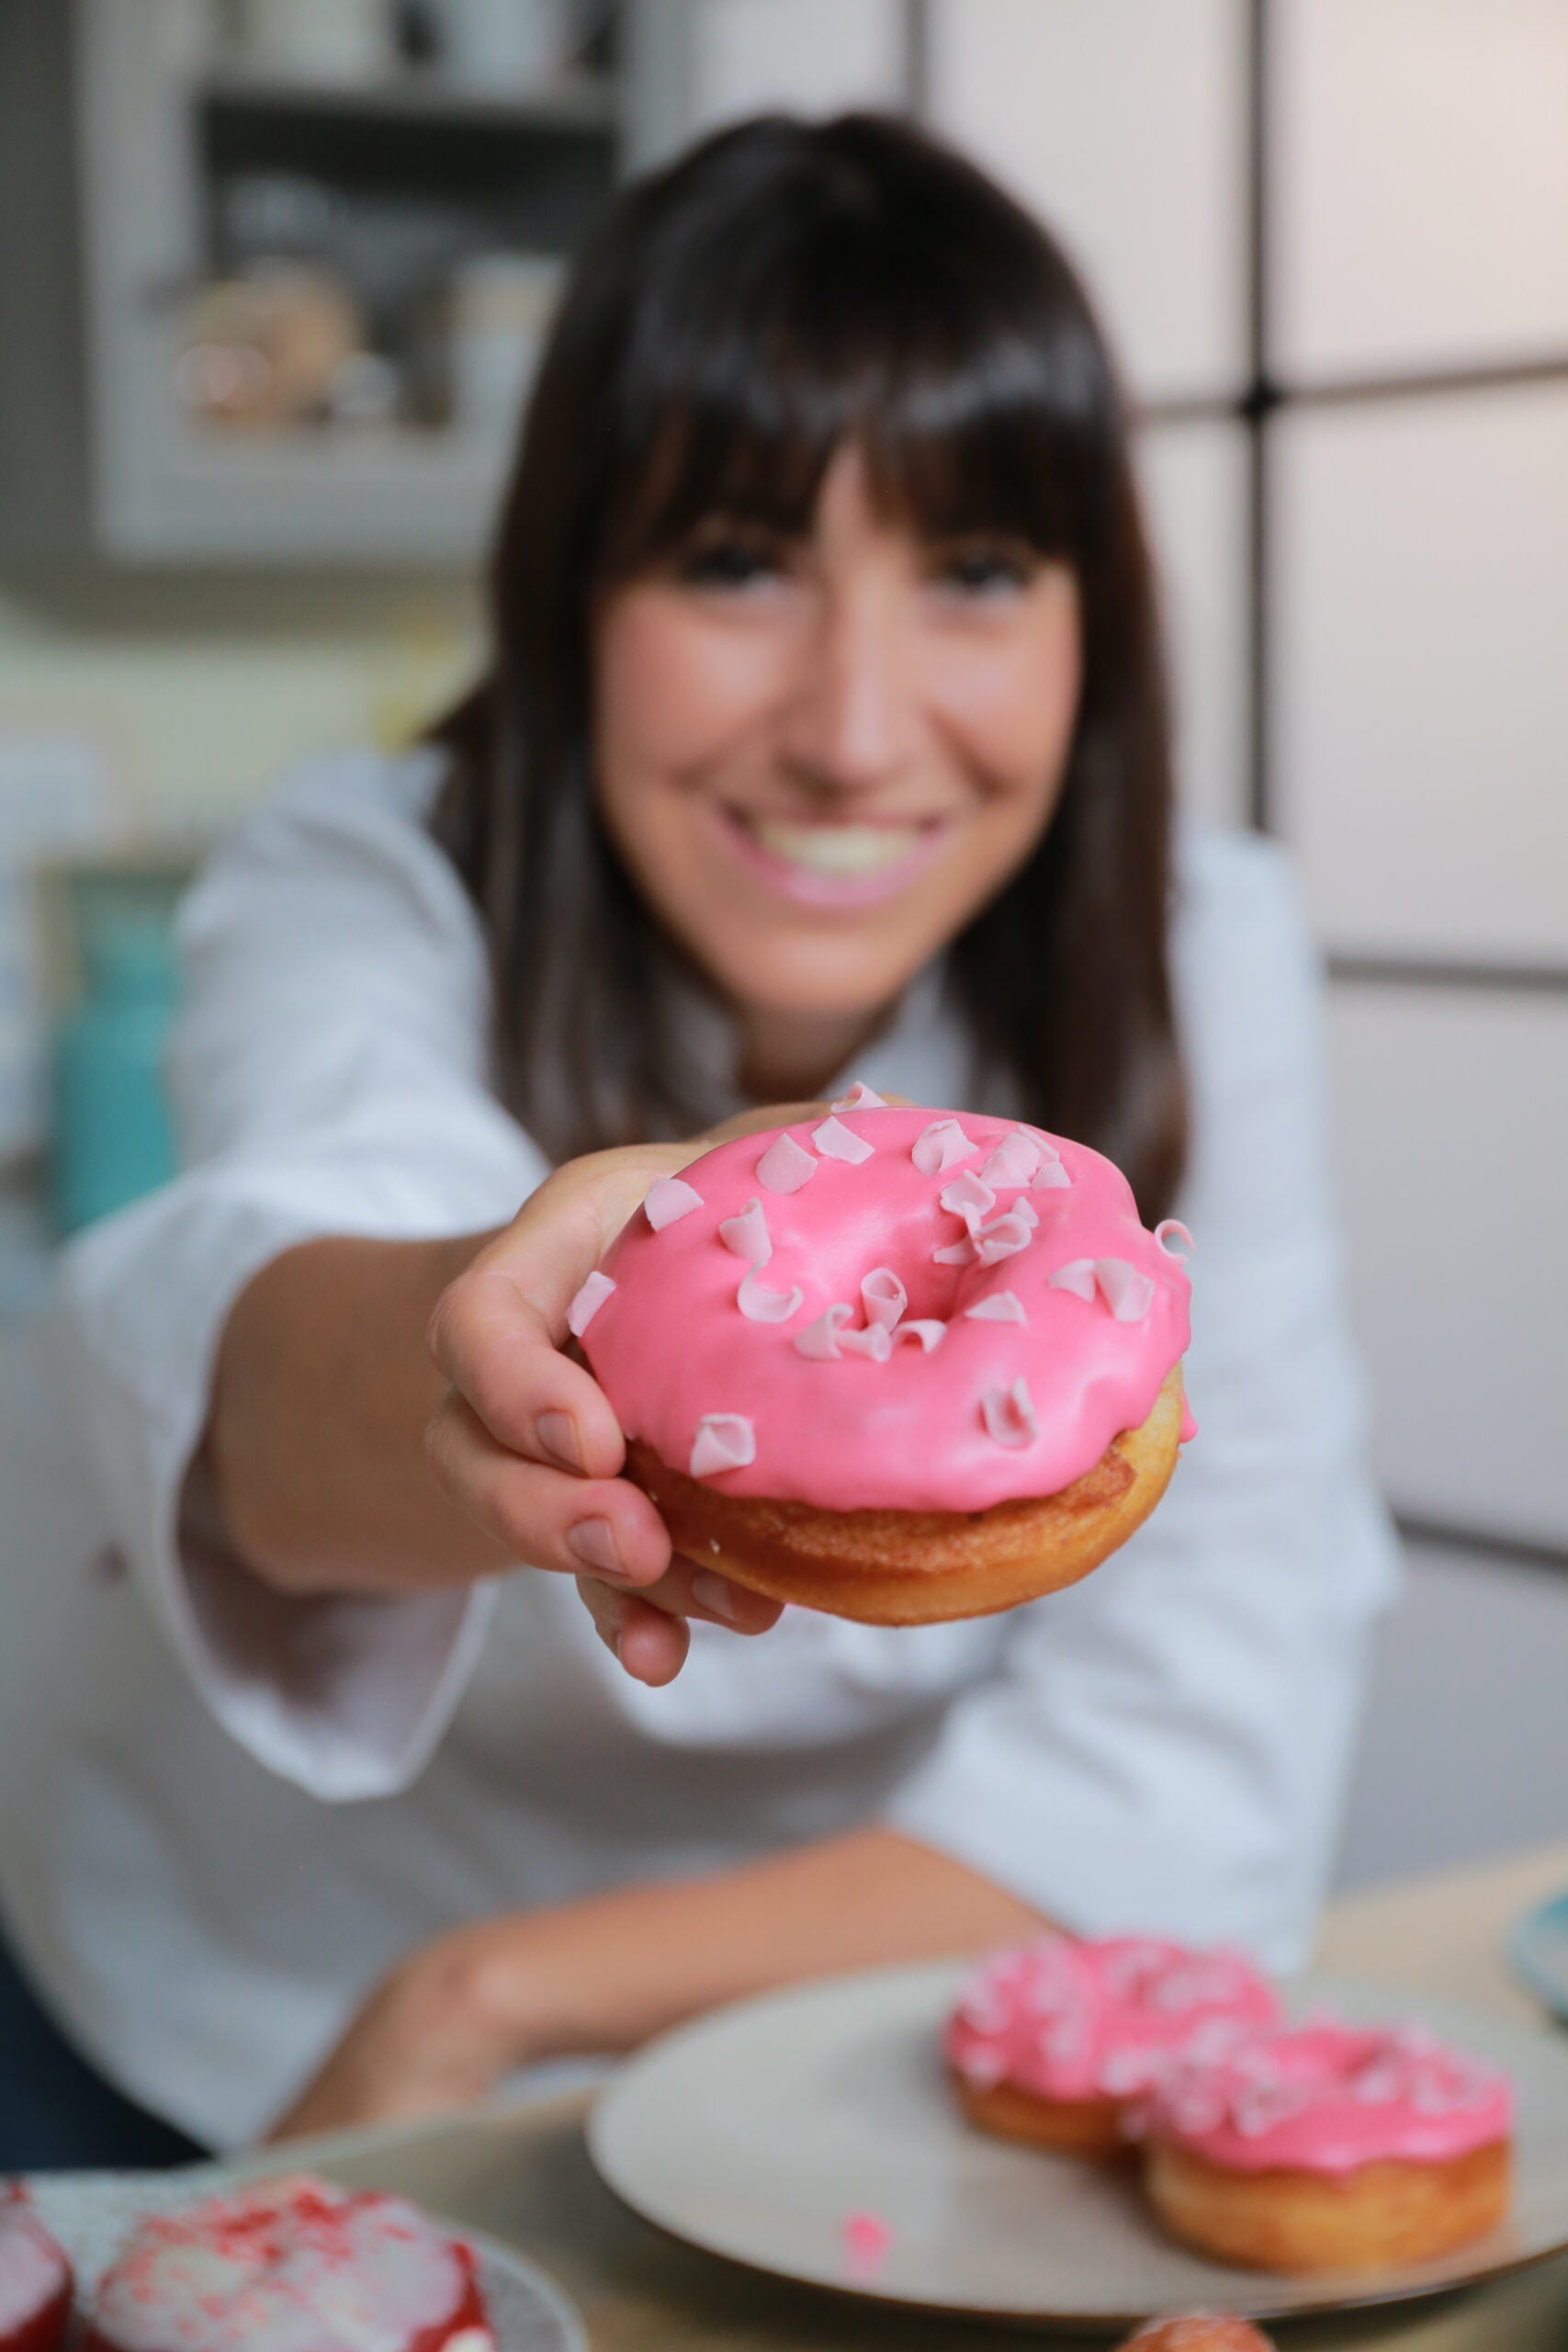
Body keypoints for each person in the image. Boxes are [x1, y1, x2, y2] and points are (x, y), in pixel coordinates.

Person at [2, 113, 1396, 2165]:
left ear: (1095, 626)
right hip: (241, 2016)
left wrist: (498, 1984)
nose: (851, 721)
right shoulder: (366, 873)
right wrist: (490, 1335)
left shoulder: (1200, 943)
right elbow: (277, 1322)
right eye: (736, 561)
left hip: (804, 2054)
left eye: (978, 572)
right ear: (572, 594)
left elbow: (1193, 1743)